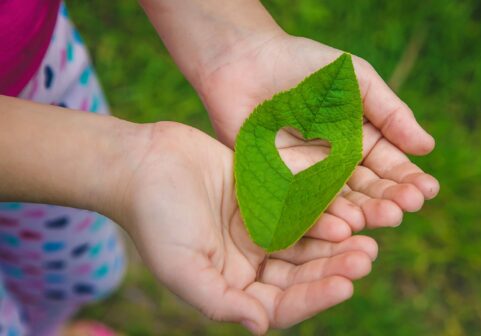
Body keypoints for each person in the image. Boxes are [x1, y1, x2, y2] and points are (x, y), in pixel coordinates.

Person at [0, 0, 439, 335]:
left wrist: (234, 39)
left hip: (37, 72)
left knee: (68, 264)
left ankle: (52, 325)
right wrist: (120, 165)